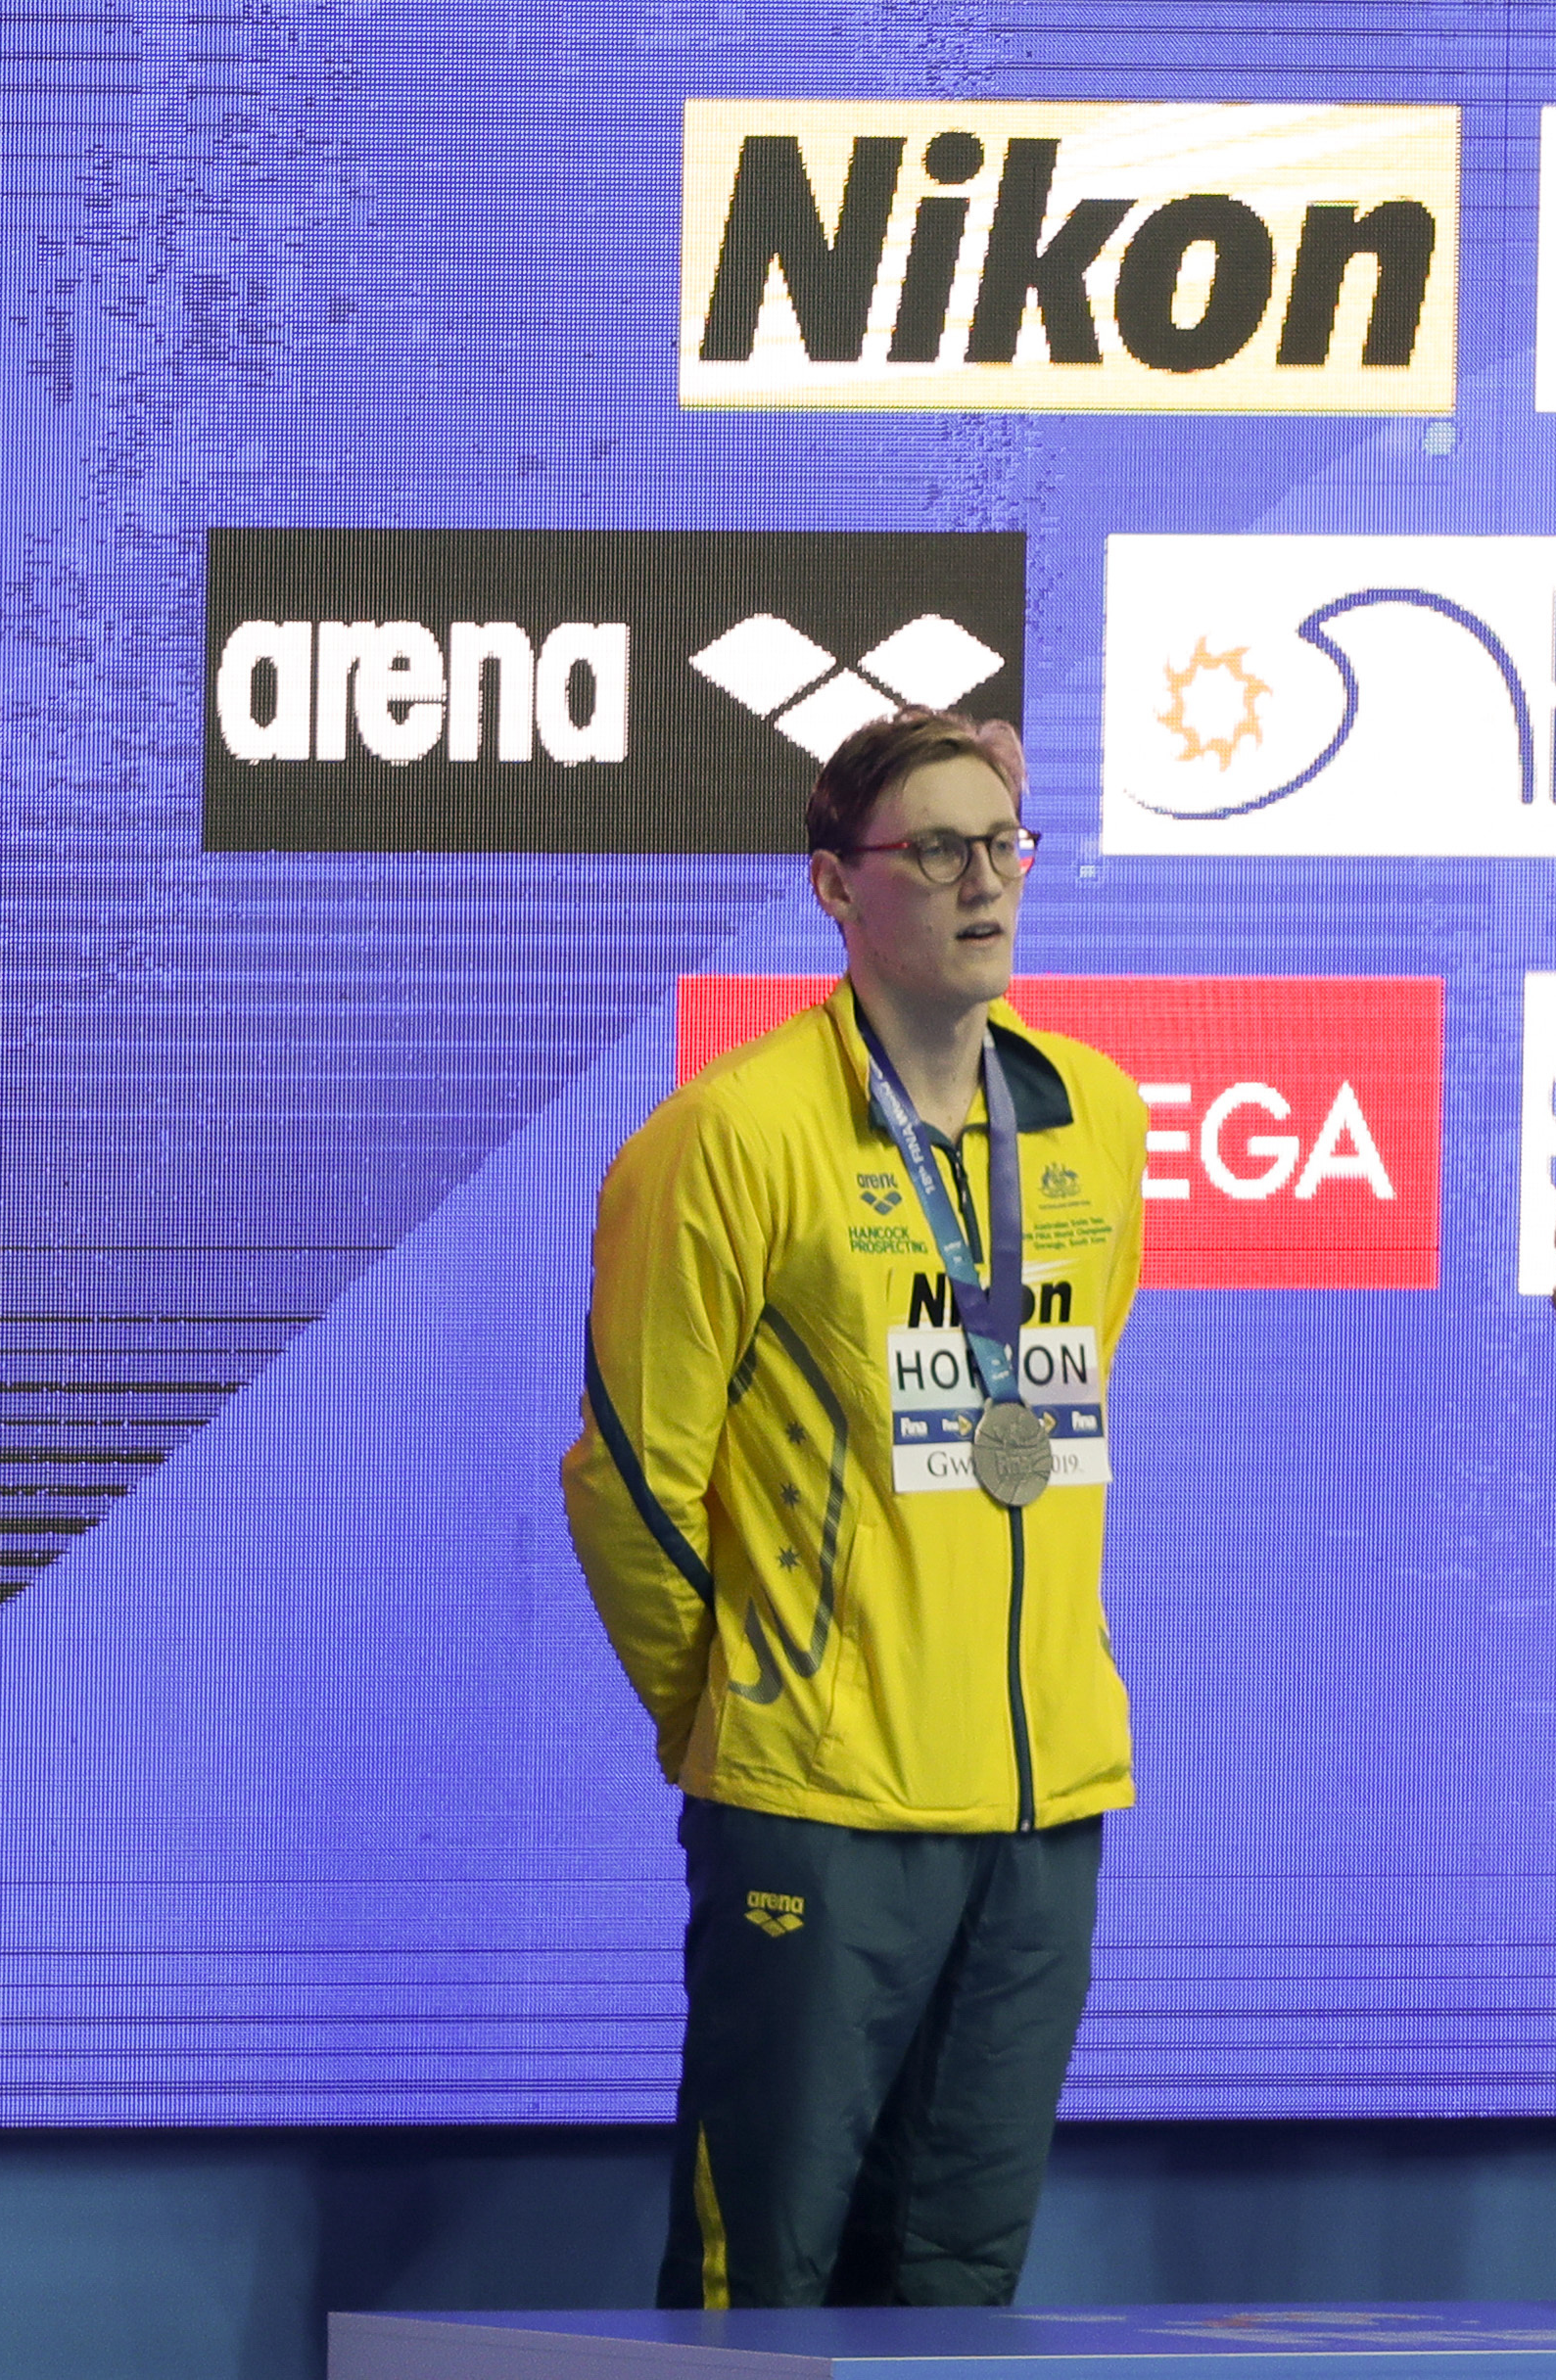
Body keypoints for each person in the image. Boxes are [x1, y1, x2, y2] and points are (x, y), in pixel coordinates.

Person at [562, 707, 1149, 2309]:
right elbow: (631, 1477)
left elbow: (1055, 1415)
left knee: (959, 2283)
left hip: (1040, 1813)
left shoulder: (1098, 1121)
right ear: (836, 885)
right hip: (818, 1810)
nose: (985, 882)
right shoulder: (726, 1139)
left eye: (1002, 844)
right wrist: (750, 1712)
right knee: (768, 2276)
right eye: (936, 849)